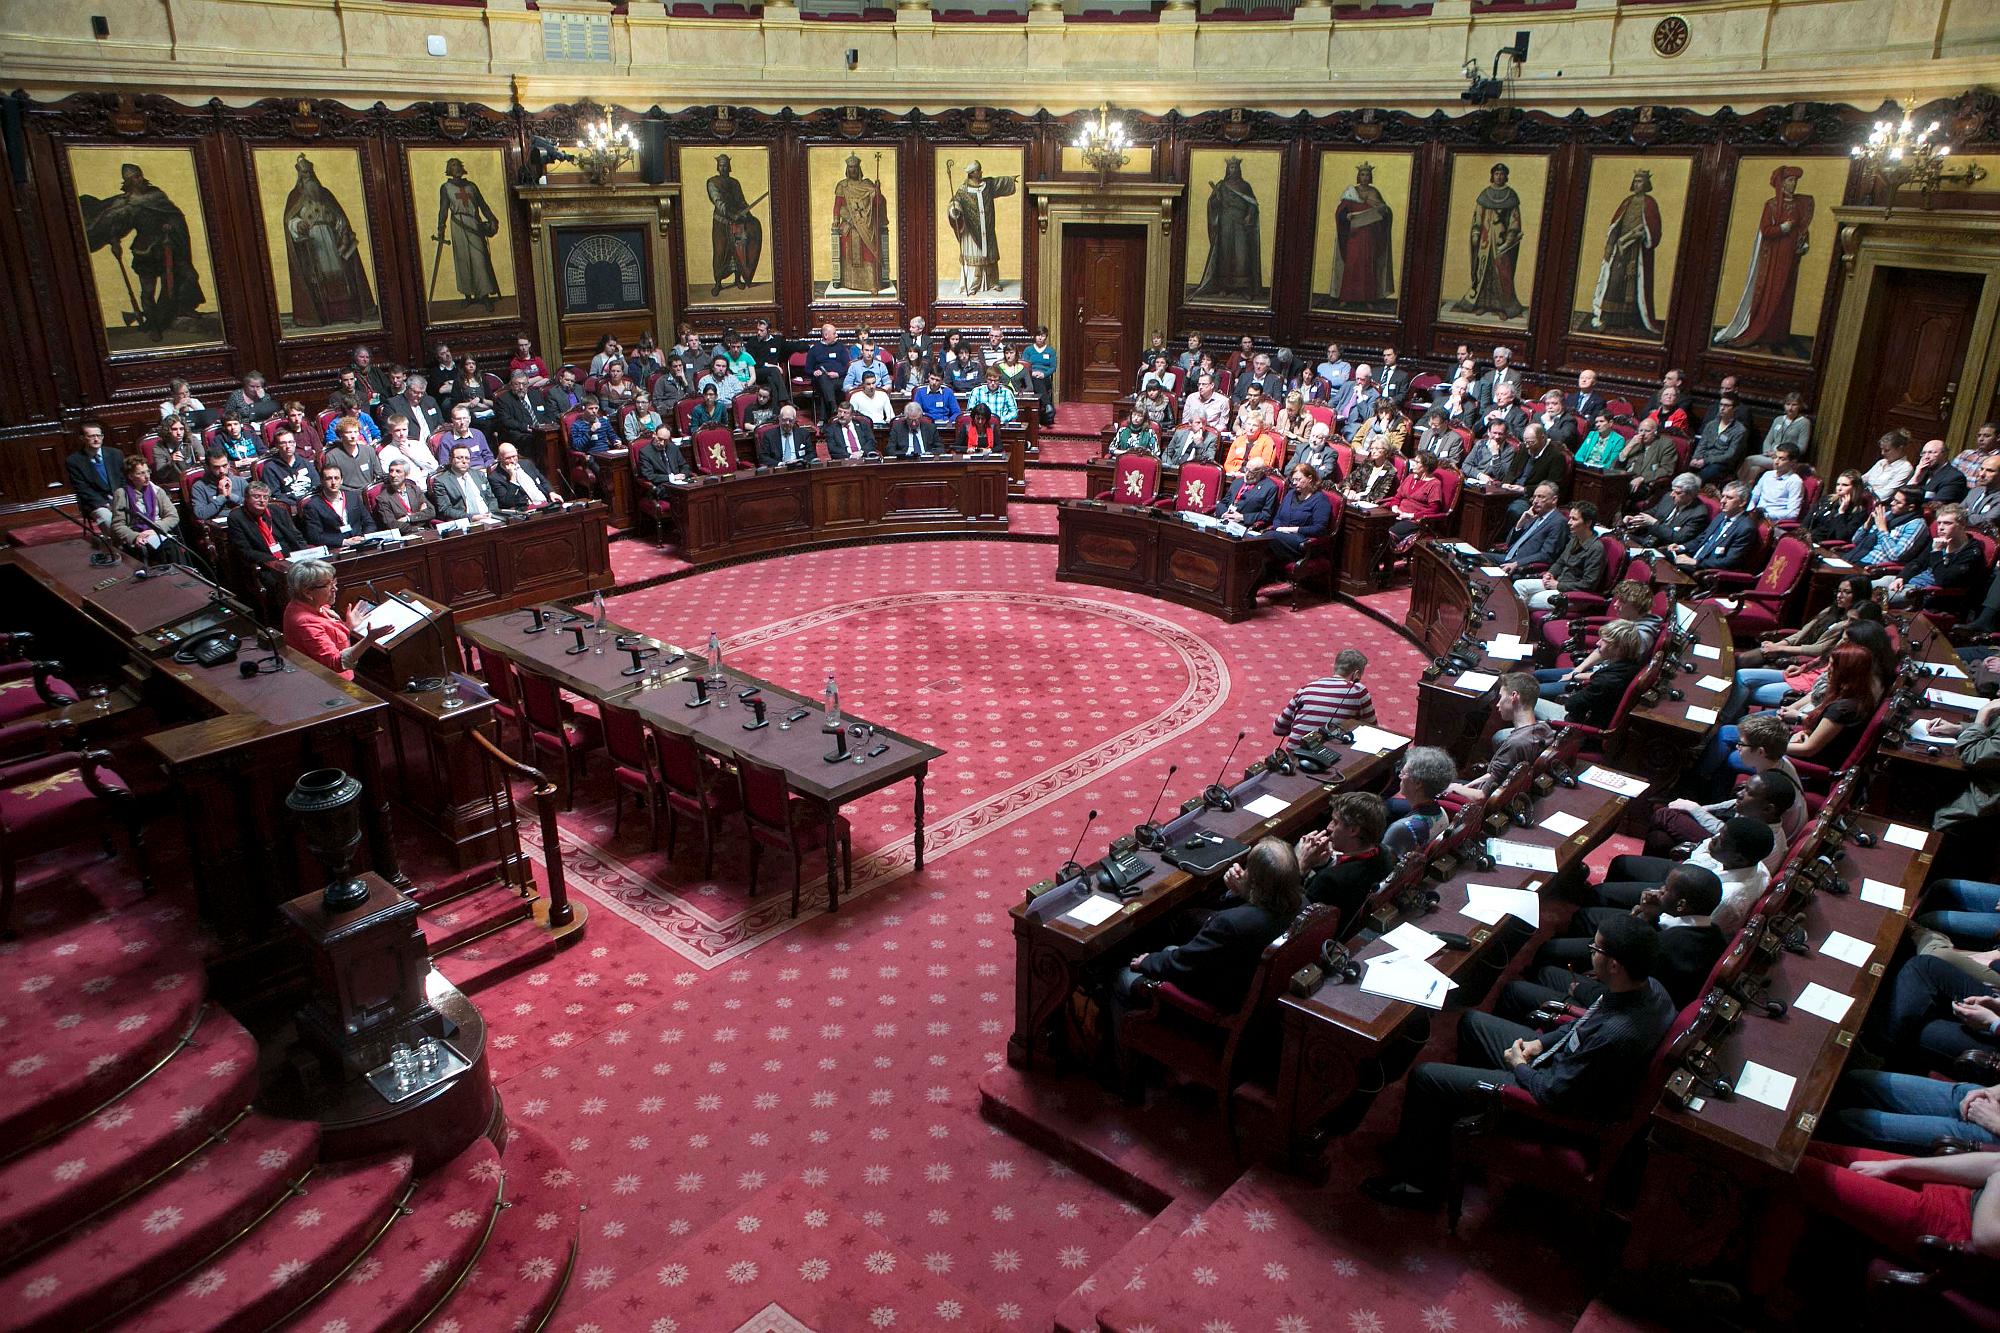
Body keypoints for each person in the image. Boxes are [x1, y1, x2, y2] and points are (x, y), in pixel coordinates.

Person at [1363, 911, 1675, 1211]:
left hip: (1552, 1101)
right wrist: (1540, 1042)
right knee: (1473, 1023)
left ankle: (1418, 1185)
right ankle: (1464, 1121)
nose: (1590, 953)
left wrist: (1519, 1066)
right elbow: (1581, 1026)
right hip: (1560, 1064)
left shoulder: (1616, 1035)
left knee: (1426, 1077)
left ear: (1615, 965)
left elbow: (1554, 1094)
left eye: (1595, 948)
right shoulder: (1649, 989)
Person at [1536, 866, 1727, 1011]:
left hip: (1629, 1005)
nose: (1659, 890)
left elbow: (1625, 980)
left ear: (1681, 905)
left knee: (1546, 963)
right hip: (1639, 983)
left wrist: (1582, 988)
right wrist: (1651, 917)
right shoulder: (1715, 932)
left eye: (1666, 889)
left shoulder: (1668, 945)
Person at [1714, 165, 1815, 352]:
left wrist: (1804, 243)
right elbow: (1766, 230)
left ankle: (1779, 334)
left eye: (1795, 181)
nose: (1793, 184)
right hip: (1774, 256)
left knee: (1786, 292)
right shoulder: (1771, 205)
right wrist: (1784, 228)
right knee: (1772, 291)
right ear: (1782, 183)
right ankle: (1763, 332)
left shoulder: (1799, 204)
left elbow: (1802, 228)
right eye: (1790, 180)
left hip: (1791, 255)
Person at [1296, 792, 1391, 931]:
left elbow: (1293, 914)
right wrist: (1325, 864)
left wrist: (1301, 866)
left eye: (1335, 822)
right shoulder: (1383, 854)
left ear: (1353, 830)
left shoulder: (1329, 880)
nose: (1329, 827)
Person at [283, 560, 389, 680]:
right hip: (335, 684)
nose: (335, 589)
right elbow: (335, 663)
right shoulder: (304, 623)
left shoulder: (312, 604)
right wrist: (368, 640)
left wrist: (348, 626)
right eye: (328, 585)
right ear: (307, 592)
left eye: (334, 582)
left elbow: (330, 636)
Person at [1590, 169, 1663, 334]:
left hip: (1637, 252)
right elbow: (1616, 224)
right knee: (1614, 281)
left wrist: (1642, 233)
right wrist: (1610, 245)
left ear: (1646, 184)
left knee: (1633, 285)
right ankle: (1608, 318)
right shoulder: (1627, 202)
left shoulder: (1650, 204)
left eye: (1641, 181)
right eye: (1636, 181)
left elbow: (1654, 229)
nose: (1638, 184)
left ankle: (1631, 322)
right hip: (1621, 249)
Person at [1454, 166, 1528, 320]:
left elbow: (1515, 220)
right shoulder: (1484, 195)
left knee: (1502, 273)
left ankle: (1503, 307)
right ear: (1492, 176)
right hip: (1485, 242)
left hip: (1501, 243)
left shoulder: (1511, 196)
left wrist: (1509, 239)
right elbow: (1478, 215)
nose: (1499, 176)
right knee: (1483, 272)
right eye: (1496, 173)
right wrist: (1475, 233)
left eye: (1502, 174)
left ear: (1506, 176)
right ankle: (1482, 304)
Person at [432, 158, 501, 311]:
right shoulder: (446, 188)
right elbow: (443, 209)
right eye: (452, 166)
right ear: (449, 170)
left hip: (473, 224)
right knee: (462, 259)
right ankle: (468, 296)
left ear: (462, 169)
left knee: (479, 259)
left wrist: (492, 219)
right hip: (457, 226)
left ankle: (484, 296)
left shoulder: (471, 187)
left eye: (458, 166)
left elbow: (483, 205)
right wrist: (440, 227)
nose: (456, 169)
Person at [1883, 503, 1986, 606]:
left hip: (1924, 593)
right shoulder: (1939, 541)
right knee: (1870, 585)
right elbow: (1918, 562)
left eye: (1947, 523)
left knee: (1875, 596)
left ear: (1962, 524)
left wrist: (1937, 551)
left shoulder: (1971, 551)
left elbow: (1944, 580)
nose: (1940, 528)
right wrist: (1902, 577)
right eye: (1939, 523)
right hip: (1909, 581)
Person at [1514, 503, 1607, 612]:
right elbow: (1560, 562)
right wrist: (1550, 573)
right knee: (1518, 585)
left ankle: (1517, 626)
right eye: (1570, 518)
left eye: (1574, 519)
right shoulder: (1575, 539)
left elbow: (1588, 584)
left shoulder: (1596, 549)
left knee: (1524, 600)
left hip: (1572, 595)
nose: (1569, 522)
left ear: (1588, 523)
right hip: (1558, 583)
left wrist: (1558, 585)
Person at [1192, 157, 1262, 300]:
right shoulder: (1222, 186)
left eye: (1235, 167)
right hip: (1225, 223)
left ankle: (1243, 288)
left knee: (1242, 255)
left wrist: (1249, 215)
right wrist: (1216, 199)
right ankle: (1224, 287)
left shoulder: (1245, 186)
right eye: (1231, 167)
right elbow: (1213, 205)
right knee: (1224, 254)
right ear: (1227, 169)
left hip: (1240, 223)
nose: (1233, 169)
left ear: (1239, 169)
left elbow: (1252, 203)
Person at [1554, 620, 1645, 729]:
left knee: (1529, 700)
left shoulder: (1607, 681)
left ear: (1618, 649)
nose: (1598, 643)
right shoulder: (1631, 666)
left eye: (1604, 640)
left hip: (1577, 726)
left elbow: (1571, 705)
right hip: (1590, 715)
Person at [1273, 648, 1376, 744]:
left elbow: (1278, 728)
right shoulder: (1358, 691)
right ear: (1357, 674)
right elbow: (1373, 730)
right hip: (1327, 756)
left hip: (1293, 755)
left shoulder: (1305, 689)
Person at [227, 481, 306, 591]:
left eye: (265, 497)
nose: (262, 501)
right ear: (246, 498)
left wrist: (305, 554)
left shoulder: (278, 511)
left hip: (292, 558)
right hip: (267, 564)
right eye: (257, 497)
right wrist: (276, 561)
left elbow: (297, 536)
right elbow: (244, 551)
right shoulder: (236, 517)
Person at [1670, 480, 1757, 571]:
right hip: (1692, 560)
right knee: (1663, 554)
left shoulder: (1745, 528)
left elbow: (1730, 561)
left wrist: (1696, 562)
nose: (1723, 501)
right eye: (1723, 496)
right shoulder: (1721, 516)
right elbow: (1702, 539)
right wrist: (1681, 547)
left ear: (1742, 502)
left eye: (1729, 498)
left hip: (1705, 571)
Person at [1383, 747, 1455, 856]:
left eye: (1403, 773)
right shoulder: (1442, 813)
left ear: (1418, 783)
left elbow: (1382, 866)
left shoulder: (1401, 828)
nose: (1400, 776)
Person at [108, 456, 180, 562]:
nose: (147, 476)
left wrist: (155, 529)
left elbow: (173, 516)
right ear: (130, 476)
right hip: (138, 535)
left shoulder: (157, 491)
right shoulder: (122, 494)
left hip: (157, 532)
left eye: (147, 472)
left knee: (170, 547)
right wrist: (135, 537)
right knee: (164, 549)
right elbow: (117, 525)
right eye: (141, 473)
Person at [1489, 482, 1566, 572]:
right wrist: (1521, 522)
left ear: (1554, 500)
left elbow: (1546, 555)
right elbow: (1509, 543)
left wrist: (1517, 564)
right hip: (1507, 558)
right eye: (1534, 497)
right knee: (1474, 557)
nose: (1535, 501)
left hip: (1523, 567)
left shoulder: (1558, 522)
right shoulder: (1533, 516)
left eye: (1541, 497)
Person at [1384, 450, 1449, 557]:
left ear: (1426, 467)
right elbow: (1397, 497)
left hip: (1414, 521)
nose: (1413, 463)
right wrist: (1395, 507)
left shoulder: (1434, 484)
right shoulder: (1410, 477)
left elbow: (1434, 509)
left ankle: (1387, 563)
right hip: (1396, 514)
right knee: (1375, 528)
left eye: (1417, 462)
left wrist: (1410, 515)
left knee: (1387, 533)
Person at [1266, 465, 1335, 564]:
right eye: (1293, 480)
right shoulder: (1291, 494)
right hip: (1280, 536)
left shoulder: (1320, 500)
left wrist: (1290, 530)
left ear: (1310, 479)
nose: (1294, 483)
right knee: (1262, 544)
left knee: (1268, 539)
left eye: (1298, 479)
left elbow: (1319, 529)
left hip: (1302, 542)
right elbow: (1277, 517)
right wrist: (1278, 528)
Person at [1622, 472, 1707, 549]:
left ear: (1691, 495)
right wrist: (1635, 519)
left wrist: (1653, 523)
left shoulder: (1699, 514)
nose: (1672, 494)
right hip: (1646, 538)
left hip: (1664, 548)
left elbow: (1678, 538)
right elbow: (1654, 511)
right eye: (1673, 490)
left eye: (1678, 493)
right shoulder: (1668, 497)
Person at [300, 461, 375, 548]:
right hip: (336, 548)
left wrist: (363, 538)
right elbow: (315, 536)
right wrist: (344, 542)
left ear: (341, 480)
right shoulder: (312, 505)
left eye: (336, 478)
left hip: (361, 543)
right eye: (329, 478)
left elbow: (370, 523)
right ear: (321, 481)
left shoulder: (353, 497)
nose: (333, 482)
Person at [66, 421, 125, 531]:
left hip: (120, 498)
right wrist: (105, 504)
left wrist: (120, 499)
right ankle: (119, 546)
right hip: (96, 502)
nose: (96, 439)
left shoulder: (116, 454)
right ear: (82, 438)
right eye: (91, 436)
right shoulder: (74, 461)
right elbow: (82, 489)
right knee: (109, 520)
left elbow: (123, 479)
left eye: (99, 435)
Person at [1851, 486, 1928, 568]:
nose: (1892, 503)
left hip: (1873, 567)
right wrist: (1867, 524)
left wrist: (1883, 530)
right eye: (1893, 499)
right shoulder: (1887, 515)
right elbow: (1855, 541)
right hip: (1856, 557)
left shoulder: (1916, 525)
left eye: (1897, 502)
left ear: (1911, 507)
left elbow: (1896, 556)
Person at [1168, 374, 1229, 466]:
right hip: (1190, 432)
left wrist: (1207, 429)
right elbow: (1185, 420)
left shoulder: (1223, 401)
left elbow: (1223, 425)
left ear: (1212, 385)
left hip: (1209, 436)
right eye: (1199, 384)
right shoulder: (1191, 398)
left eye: (1204, 384)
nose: (1200, 387)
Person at [1803, 468, 1871, 546]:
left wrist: (1841, 512)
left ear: (1855, 488)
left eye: (1845, 485)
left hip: (1823, 545)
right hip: (1807, 539)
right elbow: (1807, 521)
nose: (1839, 488)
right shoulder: (1827, 500)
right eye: (1838, 484)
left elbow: (1842, 536)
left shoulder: (1859, 512)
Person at [432, 443, 499, 521]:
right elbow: (445, 509)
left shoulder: (479, 475)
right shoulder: (442, 481)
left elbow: (491, 499)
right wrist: (471, 518)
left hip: (489, 517)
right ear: (450, 459)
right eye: (459, 458)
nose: (464, 461)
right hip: (466, 521)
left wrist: (491, 513)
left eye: (467, 458)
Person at [257, 426, 317, 507]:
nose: (288, 446)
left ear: (295, 444)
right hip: (290, 506)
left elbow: (317, 484)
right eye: (283, 443)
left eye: (290, 442)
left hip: (311, 502)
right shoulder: (270, 468)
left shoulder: (304, 462)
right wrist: (298, 502)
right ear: (277, 446)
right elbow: (275, 495)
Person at [490, 442, 561, 510]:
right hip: (526, 510)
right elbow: (507, 503)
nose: (512, 460)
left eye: (514, 456)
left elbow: (542, 480)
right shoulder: (495, 477)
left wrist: (551, 492)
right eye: (508, 458)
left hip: (546, 503)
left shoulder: (526, 463)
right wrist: (513, 478)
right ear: (500, 458)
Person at [495, 370, 559, 446]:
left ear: (528, 384)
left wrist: (547, 425)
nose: (521, 387)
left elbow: (548, 412)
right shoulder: (503, 400)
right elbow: (506, 421)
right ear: (511, 385)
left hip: (543, 430)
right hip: (522, 433)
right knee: (539, 441)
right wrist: (525, 427)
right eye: (517, 384)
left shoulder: (536, 394)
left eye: (524, 384)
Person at [1748, 441, 1806, 521]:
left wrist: (1766, 515)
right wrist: (1750, 510)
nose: (1776, 462)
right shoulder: (1767, 475)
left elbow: (1793, 514)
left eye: (1781, 459)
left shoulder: (1795, 481)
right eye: (1775, 457)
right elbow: (1754, 496)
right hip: (1755, 516)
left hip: (1772, 522)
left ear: (1792, 463)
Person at [321, 415, 382, 492]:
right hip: (348, 494)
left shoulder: (369, 451)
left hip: (369, 492)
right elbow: (334, 483)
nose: (353, 436)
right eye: (349, 432)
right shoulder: (332, 456)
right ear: (341, 435)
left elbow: (379, 474)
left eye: (356, 432)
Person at [372, 457, 434, 532]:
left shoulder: (415, 490)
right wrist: (418, 524)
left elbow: (431, 512)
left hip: (427, 530)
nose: (393, 475)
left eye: (398, 471)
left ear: (406, 475)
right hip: (405, 536)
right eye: (391, 471)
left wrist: (408, 518)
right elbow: (391, 524)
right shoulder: (383, 498)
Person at [1214, 460, 1280, 529]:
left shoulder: (1270, 488)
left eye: (1252, 472)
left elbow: (1266, 515)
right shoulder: (1237, 481)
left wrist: (1242, 517)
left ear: (1261, 473)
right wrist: (1225, 514)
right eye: (1246, 469)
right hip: (1224, 520)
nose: (1247, 474)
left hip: (1243, 525)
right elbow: (1223, 502)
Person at [1221, 408, 1282, 479]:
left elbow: (1266, 465)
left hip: (1256, 477)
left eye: (1254, 425)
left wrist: (1247, 474)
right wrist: (1235, 472)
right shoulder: (1239, 440)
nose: (1250, 428)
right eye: (1249, 424)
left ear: (1261, 428)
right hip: (1235, 475)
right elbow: (1228, 463)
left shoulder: (1267, 441)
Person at [1911, 436, 1972, 506]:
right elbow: (1902, 497)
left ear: (1944, 454)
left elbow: (1934, 507)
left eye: (1931, 452)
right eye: (1924, 453)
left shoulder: (1955, 478)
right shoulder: (1921, 471)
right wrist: (1915, 479)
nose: (1926, 457)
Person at [190, 449, 246, 522]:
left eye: (224, 465)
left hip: (243, 520)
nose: (222, 470)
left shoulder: (239, 481)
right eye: (216, 467)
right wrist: (222, 497)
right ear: (207, 467)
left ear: (229, 464)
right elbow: (200, 514)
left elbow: (252, 504)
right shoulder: (199, 487)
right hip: (218, 526)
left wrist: (230, 496)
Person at [1342, 436, 1398, 506]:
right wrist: (1347, 490)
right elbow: (1350, 479)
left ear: (1385, 450)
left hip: (1370, 504)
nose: (1373, 451)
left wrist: (1358, 497)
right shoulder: (1367, 463)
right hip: (1354, 498)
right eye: (1371, 448)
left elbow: (1379, 496)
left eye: (1377, 448)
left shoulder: (1390, 471)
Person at [1863, 429, 1916, 502]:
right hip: (1864, 499)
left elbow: (1885, 494)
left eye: (1887, 450)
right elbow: (1862, 480)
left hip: (1880, 505)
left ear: (1900, 448)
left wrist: (1867, 489)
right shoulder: (1881, 462)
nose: (1882, 453)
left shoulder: (1905, 468)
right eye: (1882, 449)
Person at [438, 404, 494, 470]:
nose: (462, 422)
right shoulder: (446, 439)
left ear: (469, 419)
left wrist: (487, 469)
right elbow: (444, 464)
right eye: (458, 419)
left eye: (465, 418)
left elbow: (489, 457)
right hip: (460, 473)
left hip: (482, 471)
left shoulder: (478, 434)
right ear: (452, 421)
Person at [636, 424, 689, 491]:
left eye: (666, 440)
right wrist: (671, 478)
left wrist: (683, 474)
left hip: (680, 484)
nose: (662, 443)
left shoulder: (673, 447)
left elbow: (684, 465)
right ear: (654, 435)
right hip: (662, 486)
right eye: (660, 439)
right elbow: (649, 475)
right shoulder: (645, 452)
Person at [1024, 328, 1057, 425]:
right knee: (1035, 379)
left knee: (1039, 381)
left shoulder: (1050, 351)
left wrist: (1044, 374)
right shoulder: (1028, 350)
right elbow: (1024, 365)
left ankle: (1045, 408)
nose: (1040, 338)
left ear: (1046, 337)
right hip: (1031, 376)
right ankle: (1047, 405)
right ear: (1035, 336)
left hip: (1045, 377)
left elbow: (1053, 367)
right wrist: (1032, 372)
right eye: (1038, 335)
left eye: (1042, 336)